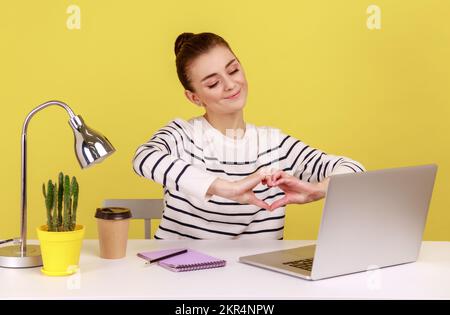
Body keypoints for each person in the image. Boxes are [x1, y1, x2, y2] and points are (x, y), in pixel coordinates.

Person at [132, 32, 365, 240]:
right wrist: (225, 188)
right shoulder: (183, 135)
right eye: (213, 83)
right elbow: (144, 158)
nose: (231, 84)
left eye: (233, 70)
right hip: (178, 277)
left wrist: (319, 189)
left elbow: (352, 168)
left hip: (254, 281)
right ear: (195, 98)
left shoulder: (275, 144)